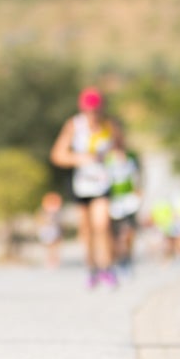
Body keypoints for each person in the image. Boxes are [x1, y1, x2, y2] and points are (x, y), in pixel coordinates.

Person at [49, 87, 122, 290]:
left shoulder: (110, 126)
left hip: (102, 183)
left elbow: (120, 149)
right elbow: (57, 155)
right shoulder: (74, 126)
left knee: (102, 224)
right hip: (81, 184)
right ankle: (91, 269)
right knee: (87, 230)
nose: (93, 115)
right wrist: (79, 158)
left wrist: (117, 158)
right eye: (89, 111)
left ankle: (107, 268)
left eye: (96, 110)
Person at [105, 142, 142, 277]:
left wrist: (139, 191)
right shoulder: (106, 159)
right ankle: (119, 259)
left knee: (129, 232)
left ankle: (128, 257)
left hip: (130, 201)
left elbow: (137, 176)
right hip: (113, 201)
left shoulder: (131, 157)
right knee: (116, 234)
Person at [36, 191, 64, 270]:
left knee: (54, 247)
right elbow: (39, 221)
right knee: (50, 247)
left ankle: (54, 261)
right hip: (47, 231)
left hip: (55, 231)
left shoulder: (57, 212)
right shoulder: (43, 212)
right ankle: (50, 261)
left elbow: (61, 223)